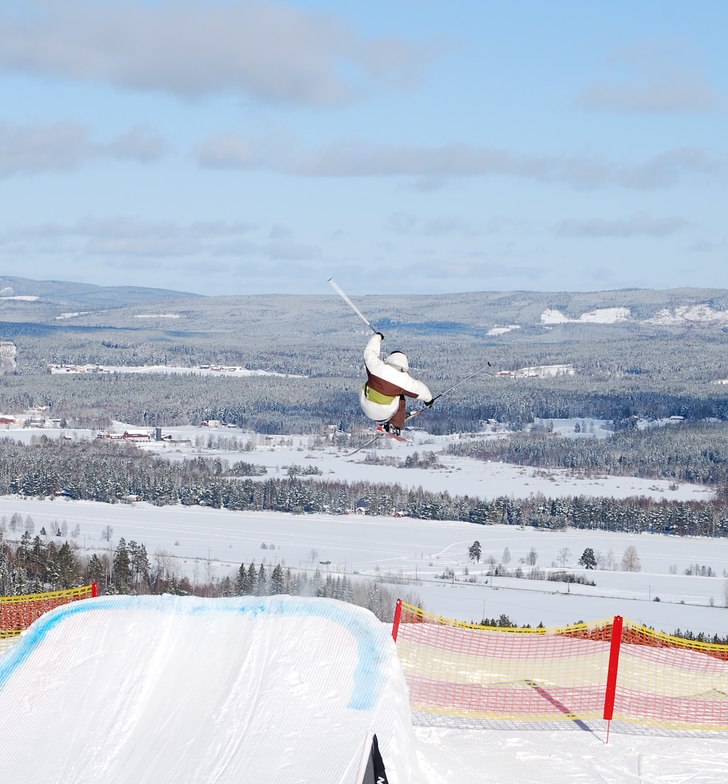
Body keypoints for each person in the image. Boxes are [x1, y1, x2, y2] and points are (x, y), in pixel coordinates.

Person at [359, 332, 433, 435]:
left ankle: (389, 418)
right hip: (384, 412)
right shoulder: (403, 380)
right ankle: (395, 425)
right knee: (400, 397)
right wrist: (429, 400)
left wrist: (377, 337)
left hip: (365, 406)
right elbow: (421, 390)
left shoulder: (376, 367)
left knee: (371, 383)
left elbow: (369, 352)